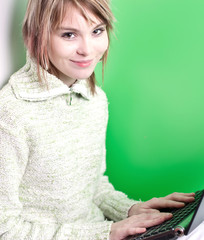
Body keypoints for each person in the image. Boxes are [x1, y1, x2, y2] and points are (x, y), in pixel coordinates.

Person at [0, 0, 199, 239]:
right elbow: (6, 228)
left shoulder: (95, 99)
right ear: (37, 36)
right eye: (69, 34)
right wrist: (103, 233)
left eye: (97, 31)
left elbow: (93, 189)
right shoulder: (11, 112)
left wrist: (130, 209)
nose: (88, 49)